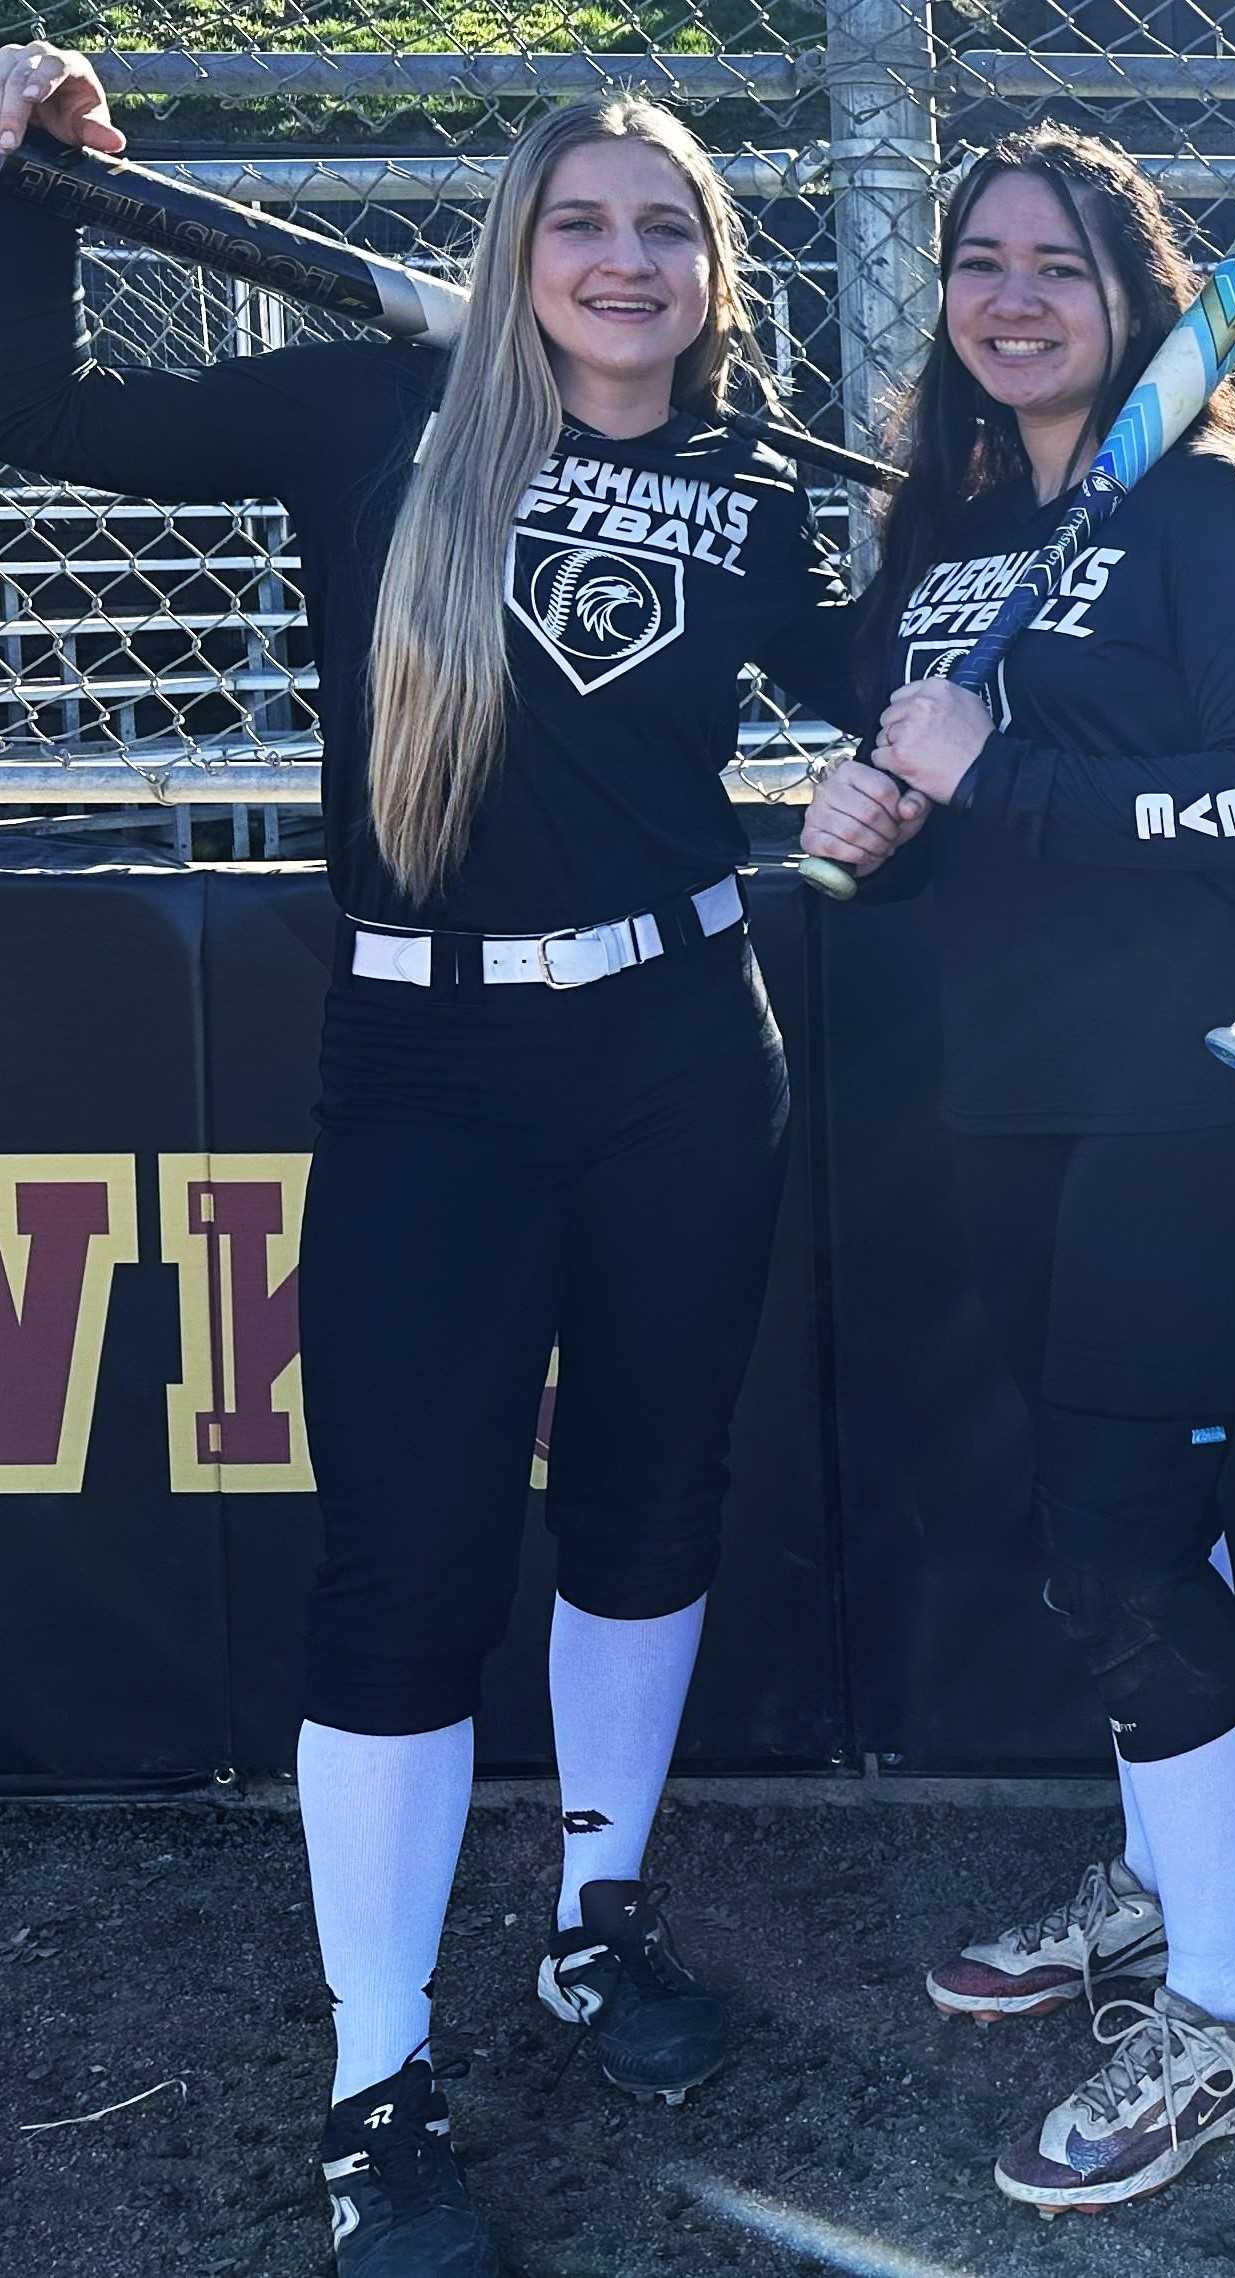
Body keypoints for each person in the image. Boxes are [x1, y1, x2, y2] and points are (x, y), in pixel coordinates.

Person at [0, 56, 865, 2278]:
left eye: (666, 227)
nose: (624, 259)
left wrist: (966, 653)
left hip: (687, 1040)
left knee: (652, 1501)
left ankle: (598, 1913)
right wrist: (25, 180)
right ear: (516, 248)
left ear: (712, 271)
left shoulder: (761, 484)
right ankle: (376, 2080)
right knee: (403, 1559)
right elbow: (43, 416)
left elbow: (906, 677)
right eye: (582, 220)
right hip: (428, 1056)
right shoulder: (360, 423)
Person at [797, 125, 1235, 2212]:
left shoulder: (1219, 508)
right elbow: (937, 808)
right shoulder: (932, 537)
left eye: (1064, 266)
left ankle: (1231, 2008)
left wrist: (991, 766)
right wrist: (883, 819)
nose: (1016, 297)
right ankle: (1158, 1871)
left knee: (1114, 1531)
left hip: (1196, 1081)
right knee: (1117, 1520)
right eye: (982, 262)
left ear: (1138, 298)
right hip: (1003, 1082)